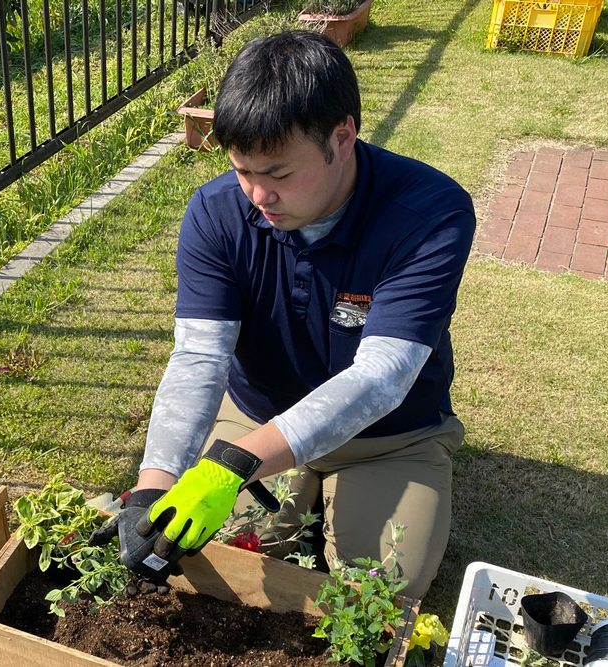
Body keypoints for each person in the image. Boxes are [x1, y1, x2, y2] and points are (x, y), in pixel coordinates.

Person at [92, 30, 475, 599]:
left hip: (389, 436)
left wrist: (230, 466)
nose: (257, 196)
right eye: (242, 171)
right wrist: (154, 488)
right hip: (256, 418)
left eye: (277, 174)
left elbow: (381, 378)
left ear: (341, 137)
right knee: (206, 561)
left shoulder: (429, 213)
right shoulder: (217, 213)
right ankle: (293, 499)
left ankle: (337, 492)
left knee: (378, 593)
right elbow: (200, 355)